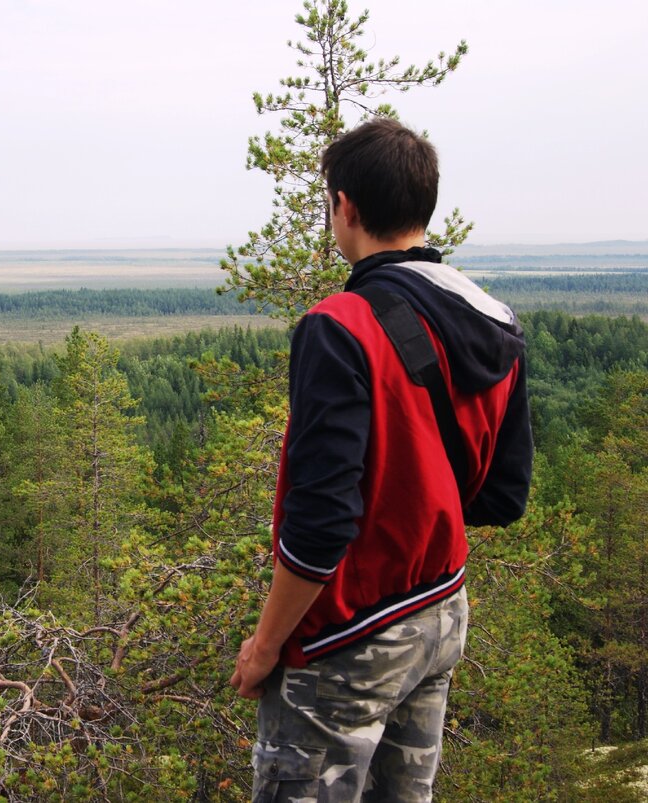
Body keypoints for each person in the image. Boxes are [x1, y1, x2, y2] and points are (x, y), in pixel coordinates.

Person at [228, 117, 533, 802]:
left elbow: (319, 526)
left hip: (349, 632)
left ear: (346, 207)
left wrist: (266, 643)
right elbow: (503, 497)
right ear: (422, 206)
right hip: (441, 610)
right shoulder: (496, 320)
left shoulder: (340, 326)